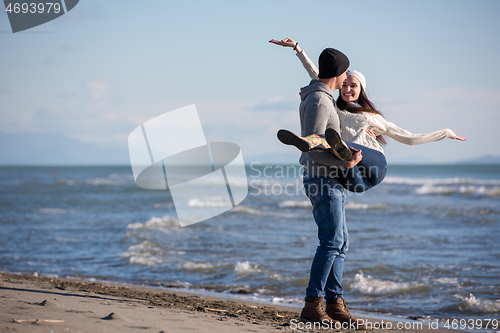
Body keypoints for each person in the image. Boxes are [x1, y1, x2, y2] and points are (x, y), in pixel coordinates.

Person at [270, 38, 466, 192]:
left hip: (374, 166)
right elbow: (320, 76)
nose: (347, 89)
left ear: (361, 89)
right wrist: (297, 49)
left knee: (338, 146)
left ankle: (314, 142)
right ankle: (320, 144)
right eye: (344, 85)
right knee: (342, 161)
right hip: (354, 172)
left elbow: (410, 138)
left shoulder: (370, 117)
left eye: (353, 86)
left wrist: (446, 133)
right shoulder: (332, 106)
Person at [290, 46, 365, 328]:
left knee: (341, 242)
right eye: (345, 71)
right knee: (331, 241)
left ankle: (334, 302)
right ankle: (313, 304)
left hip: (330, 179)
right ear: (339, 73)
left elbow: (323, 143)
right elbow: (311, 149)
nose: (347, 76)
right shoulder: (320, 102)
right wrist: (344, 164)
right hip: (322, 179)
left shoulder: (323, 97)